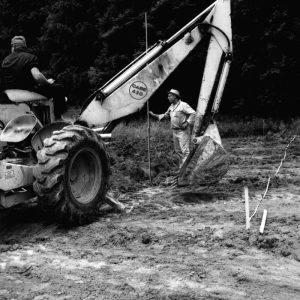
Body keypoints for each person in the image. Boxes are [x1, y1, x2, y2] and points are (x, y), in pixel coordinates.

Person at [1, 35, 67, 119]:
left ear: (12, 47)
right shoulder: (30, 57)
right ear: (24, 46)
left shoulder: (5, 61)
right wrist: (47, 83)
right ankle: (58, 119)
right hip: (27, 93)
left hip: (10, 94)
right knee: (58, 88)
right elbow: (38, 76)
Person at [150, 89, 195, 168]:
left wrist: (187, 122)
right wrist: (154, 115)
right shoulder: (171, 107)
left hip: (183, 131)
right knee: (178, 151)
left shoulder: (183, 105)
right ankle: (182, 167)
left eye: (170, 96)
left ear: (175, 96)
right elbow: (165, 116)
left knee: (185, 151)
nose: (168, 98)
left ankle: (187, 169)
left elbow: (193, 113)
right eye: (168, 96)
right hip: (175, 131)